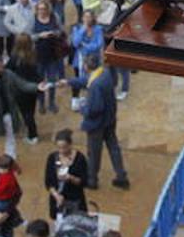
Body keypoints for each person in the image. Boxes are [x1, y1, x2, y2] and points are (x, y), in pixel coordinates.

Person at [59, 53, 128, 190]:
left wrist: (82, 108)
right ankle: (121, 176)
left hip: (97, 124)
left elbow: (95, 108)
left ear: (86, 66)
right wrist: (69, 82)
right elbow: (86, 80)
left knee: (94, 153)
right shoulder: (104, 73)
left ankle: (92, 180)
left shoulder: (95, 85)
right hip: (110, 119)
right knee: (113, 147)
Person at [42, 129, 87, 221]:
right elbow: (48, 182)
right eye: (59, 147)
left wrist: (70, 178)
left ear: (70, 144)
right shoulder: (52, 158)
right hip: (58, 200)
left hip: (75, 199)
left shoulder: (80, 159)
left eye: (65, 147)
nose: (62, 150)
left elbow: (84, 181)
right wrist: (56, 196)